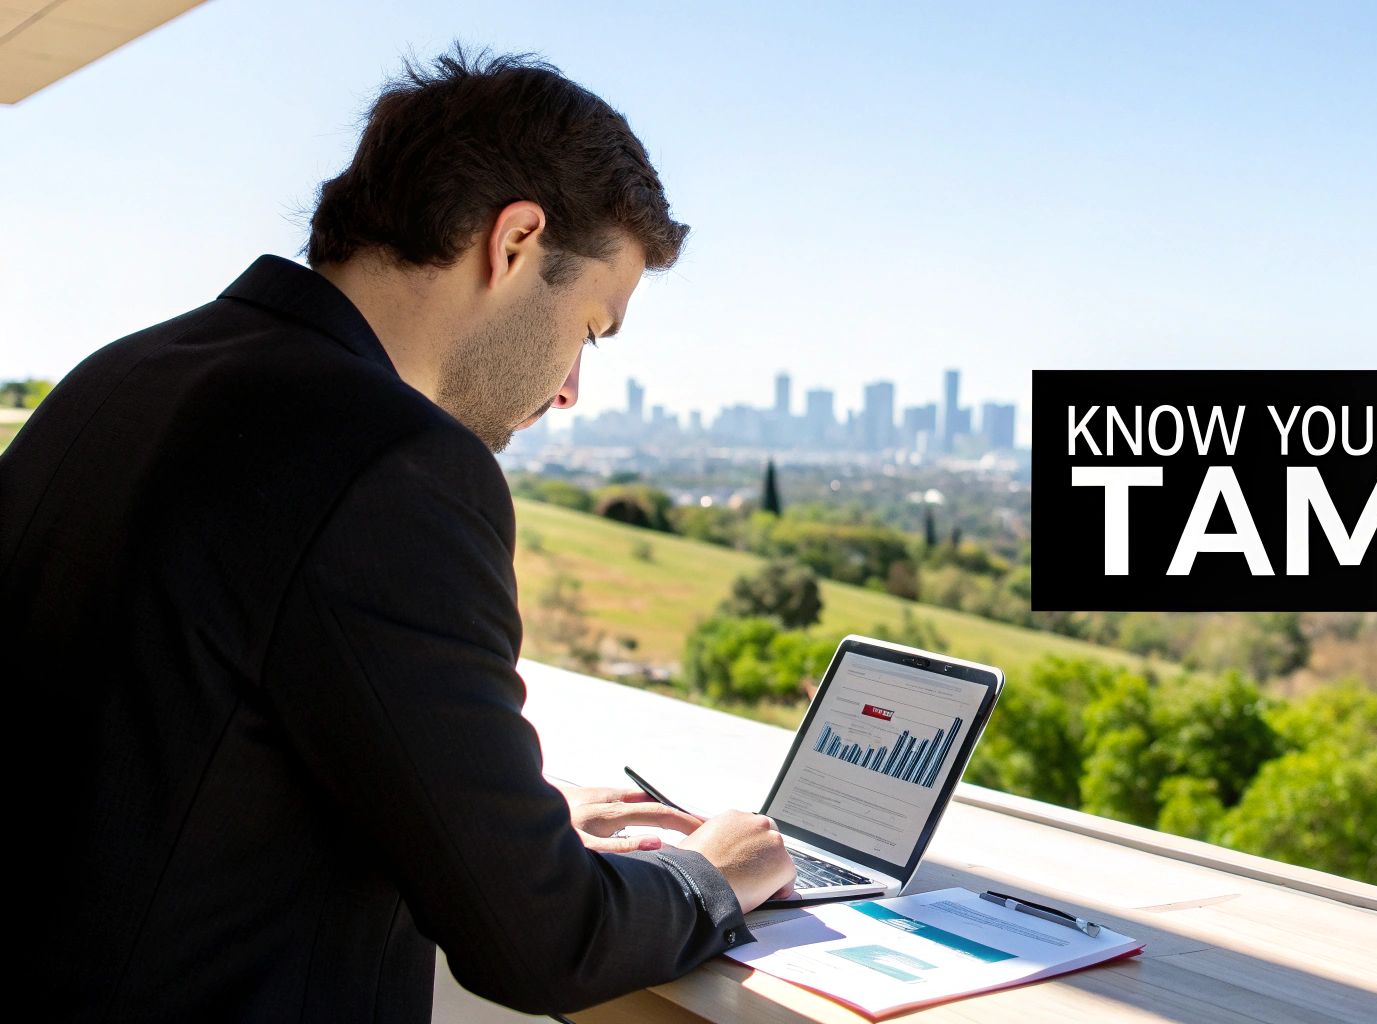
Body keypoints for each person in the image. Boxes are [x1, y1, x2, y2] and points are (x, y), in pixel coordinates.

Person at [0, 43, 794, 1022]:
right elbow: (541, 939)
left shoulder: (118, 377)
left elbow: (181, 748)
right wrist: (707, 873)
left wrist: (512, 819)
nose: (568, 389)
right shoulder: (394, 464)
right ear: (514, 244)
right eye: (589, 327)